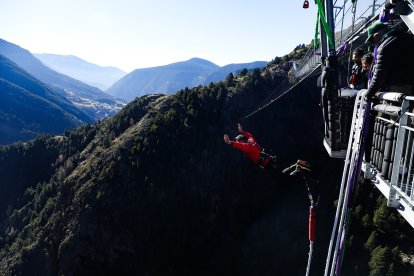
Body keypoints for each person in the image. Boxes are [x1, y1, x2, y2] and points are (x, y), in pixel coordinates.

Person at [223, 123, 311, 176]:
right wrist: (242, 131)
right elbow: (248, 135)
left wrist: (230, 142)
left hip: (267, 164)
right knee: (282, 171)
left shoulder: (247, 147)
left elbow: (240, 145)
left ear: (241, 141)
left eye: (239, 141)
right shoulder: (252, 140)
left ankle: (297, 167)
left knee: (283, 175)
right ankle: (297, 164)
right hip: (270, 158)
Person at [365, 21, 414, 100]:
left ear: (376, 35)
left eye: (371, 40)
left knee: (393, 110)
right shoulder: (409, 37)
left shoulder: (385, 46)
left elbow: (380, 74)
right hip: (411, 83)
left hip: (398, 87)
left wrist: (369, 94)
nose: (373, 44)